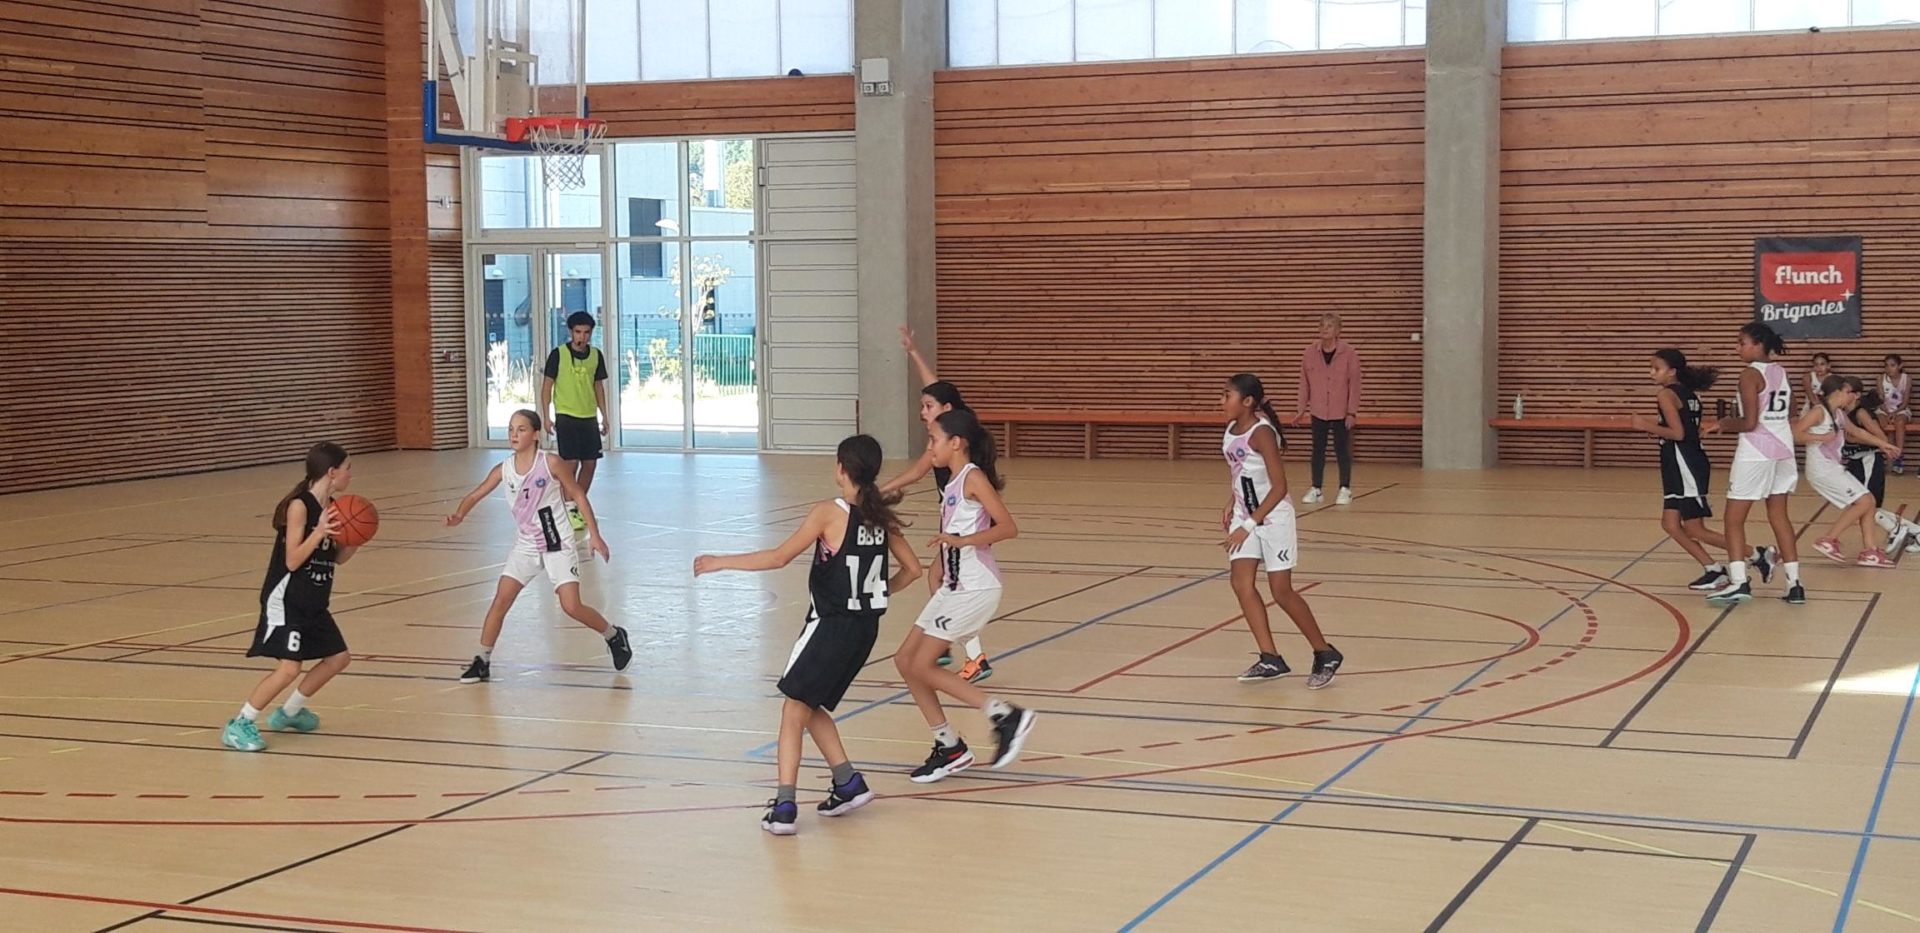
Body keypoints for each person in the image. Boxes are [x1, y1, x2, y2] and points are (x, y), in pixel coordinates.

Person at [694, 435, 923, 836]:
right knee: (809, 704)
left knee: (792, 709)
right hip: (865, 629)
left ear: (841, 469)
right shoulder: (880, 517)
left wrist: (721, 561)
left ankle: (784, 806)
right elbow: (914, 570)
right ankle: (847, 782)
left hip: (831, 625)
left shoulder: (829, 513)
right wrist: (875, 592)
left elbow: (779, 557)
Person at [894, 409, 1035, 783]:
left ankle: (1005, 714)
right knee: (905, 660)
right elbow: (952, 534)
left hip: (976, 586)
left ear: (955, 443)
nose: (930, 448)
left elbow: (1008, 527)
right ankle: (949, 746)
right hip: (954, 586)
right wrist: (941, 562)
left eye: (933, 440)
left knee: (923, 664)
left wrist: (962, 542)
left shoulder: (973, 478)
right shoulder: (953, 483)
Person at [445, 409, 630, 683]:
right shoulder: (504, 469)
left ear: (535, 434)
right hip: (526, 545)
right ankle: (482, 660)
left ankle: (614, 635)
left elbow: (577, 494)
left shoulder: (550, 463)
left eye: (521, 429)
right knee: (501, 599)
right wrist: (460, 514)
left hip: (558, 543)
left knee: (571, 605)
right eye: (511, 429)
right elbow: (476, 494)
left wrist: (595, 534)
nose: (514, 434)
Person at [223, 443, 360, 752]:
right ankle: (239, 723)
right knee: (289, 668)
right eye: (348, 468)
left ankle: (290, 712)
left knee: (338, 658)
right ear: (332, 472)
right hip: (287, 599)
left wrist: (355, 539)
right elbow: (293, 560)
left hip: (314, 600)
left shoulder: (334, 507)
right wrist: (319, 531)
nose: (351, 474)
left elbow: (336, 558)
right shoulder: (300, 506)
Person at [879, 326, 991, 683]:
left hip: (965, 525)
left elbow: (915, 473)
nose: (922, 412)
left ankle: (971, 654)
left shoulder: (951, 445)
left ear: (946, 410)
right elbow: (937, 390)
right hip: (957, 523)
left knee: (949, 584)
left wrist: (880, 491)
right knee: (940, 578)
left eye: (928, 407)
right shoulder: (950, 433)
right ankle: (948, 645)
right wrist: (913, 352)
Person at [1224, 374, 1342, 686]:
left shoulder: (1262, 433)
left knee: (1281, 591)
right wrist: (1231, 503)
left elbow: (1279, 487)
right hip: (1245, 516)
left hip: (1273, 518)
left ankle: (1325, 652)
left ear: (1247, 401)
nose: (1222, 401)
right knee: (1241, 583)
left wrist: (1249, 525)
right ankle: (1270, 658)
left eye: (1227, 395)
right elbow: (1242, 473)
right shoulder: (1231, 429)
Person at [1705, 321, 1802, 605]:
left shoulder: (1749, 374)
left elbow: (1749, 423)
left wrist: (1724, 423)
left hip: (1756, 451)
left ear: (1758, 345)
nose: (1738, 348)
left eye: (1741, 342)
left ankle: (1739, 582)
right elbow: (1792, 409)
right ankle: (1795, 585)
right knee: (1779, 516)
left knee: (1733, 519)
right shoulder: (1781, 371)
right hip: (1784, 449)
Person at [1628, 350, 1732, 591]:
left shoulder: (1666, 394)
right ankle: (1713, 569)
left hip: (1684, 464)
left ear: (1672, 371)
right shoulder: (1688, 393)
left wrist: (1645, 425)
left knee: (1695, 528)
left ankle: (1757, 554)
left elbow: (1678, 434)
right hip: (1680, 463)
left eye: (1656, 368)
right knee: (1670, 524)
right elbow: (1686, 430)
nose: (1651, 372)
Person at [1796, 376, 1900, 567]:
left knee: (1869, 501)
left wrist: (1883, 444)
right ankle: (1829, 539)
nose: (1851, 397)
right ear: (1838, 392)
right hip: (1821, 469)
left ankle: (1870, 551)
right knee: (1864, 501)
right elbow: (1796, 433)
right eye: (1848, 393)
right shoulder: (1819, 412)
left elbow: (1858, 432)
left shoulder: (1838, 414)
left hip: (1833, 467)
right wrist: (1822, 438)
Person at [540, 311, 609, 531]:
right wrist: (546, 415)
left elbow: (598, 387)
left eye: (586, 332)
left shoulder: (596, 356)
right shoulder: (558, 354)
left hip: (588, 416)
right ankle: (567, 508)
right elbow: (547, 386)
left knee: (590, 463)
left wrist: (604, 415)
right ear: (571, 332)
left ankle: (576, 504)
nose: (582, 337)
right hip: (566, 416)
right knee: (570, 463)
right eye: (578, 332)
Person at [1294, 313, 1363, 506]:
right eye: (1322, 325)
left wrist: (1352, 412)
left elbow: (1355, 384)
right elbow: (1304, 383)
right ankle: (1316, 488)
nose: (1325, 329)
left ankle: (1345, 488)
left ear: (1338, 330)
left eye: (1330, 326)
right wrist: (1301, 408)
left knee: (1341, 449)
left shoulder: (1349, 353)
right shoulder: (1309, 353)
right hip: (1318, 410)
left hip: (1341, 411)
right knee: (1318, 449)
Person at [1879, 354, 1910, 474]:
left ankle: (1898, 455)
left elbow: (1905, 402)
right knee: (1883, 424)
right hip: (1884, 409)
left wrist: (1895, 412)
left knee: (1900, 422)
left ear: (1900, 366)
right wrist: (1887, 412)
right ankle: (1888, 455)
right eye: (1886, 366)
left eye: (1892, 365)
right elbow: (1880, 400)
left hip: (1900, 409)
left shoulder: (1906, 379)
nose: (1889, 369)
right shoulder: (1880, 379)